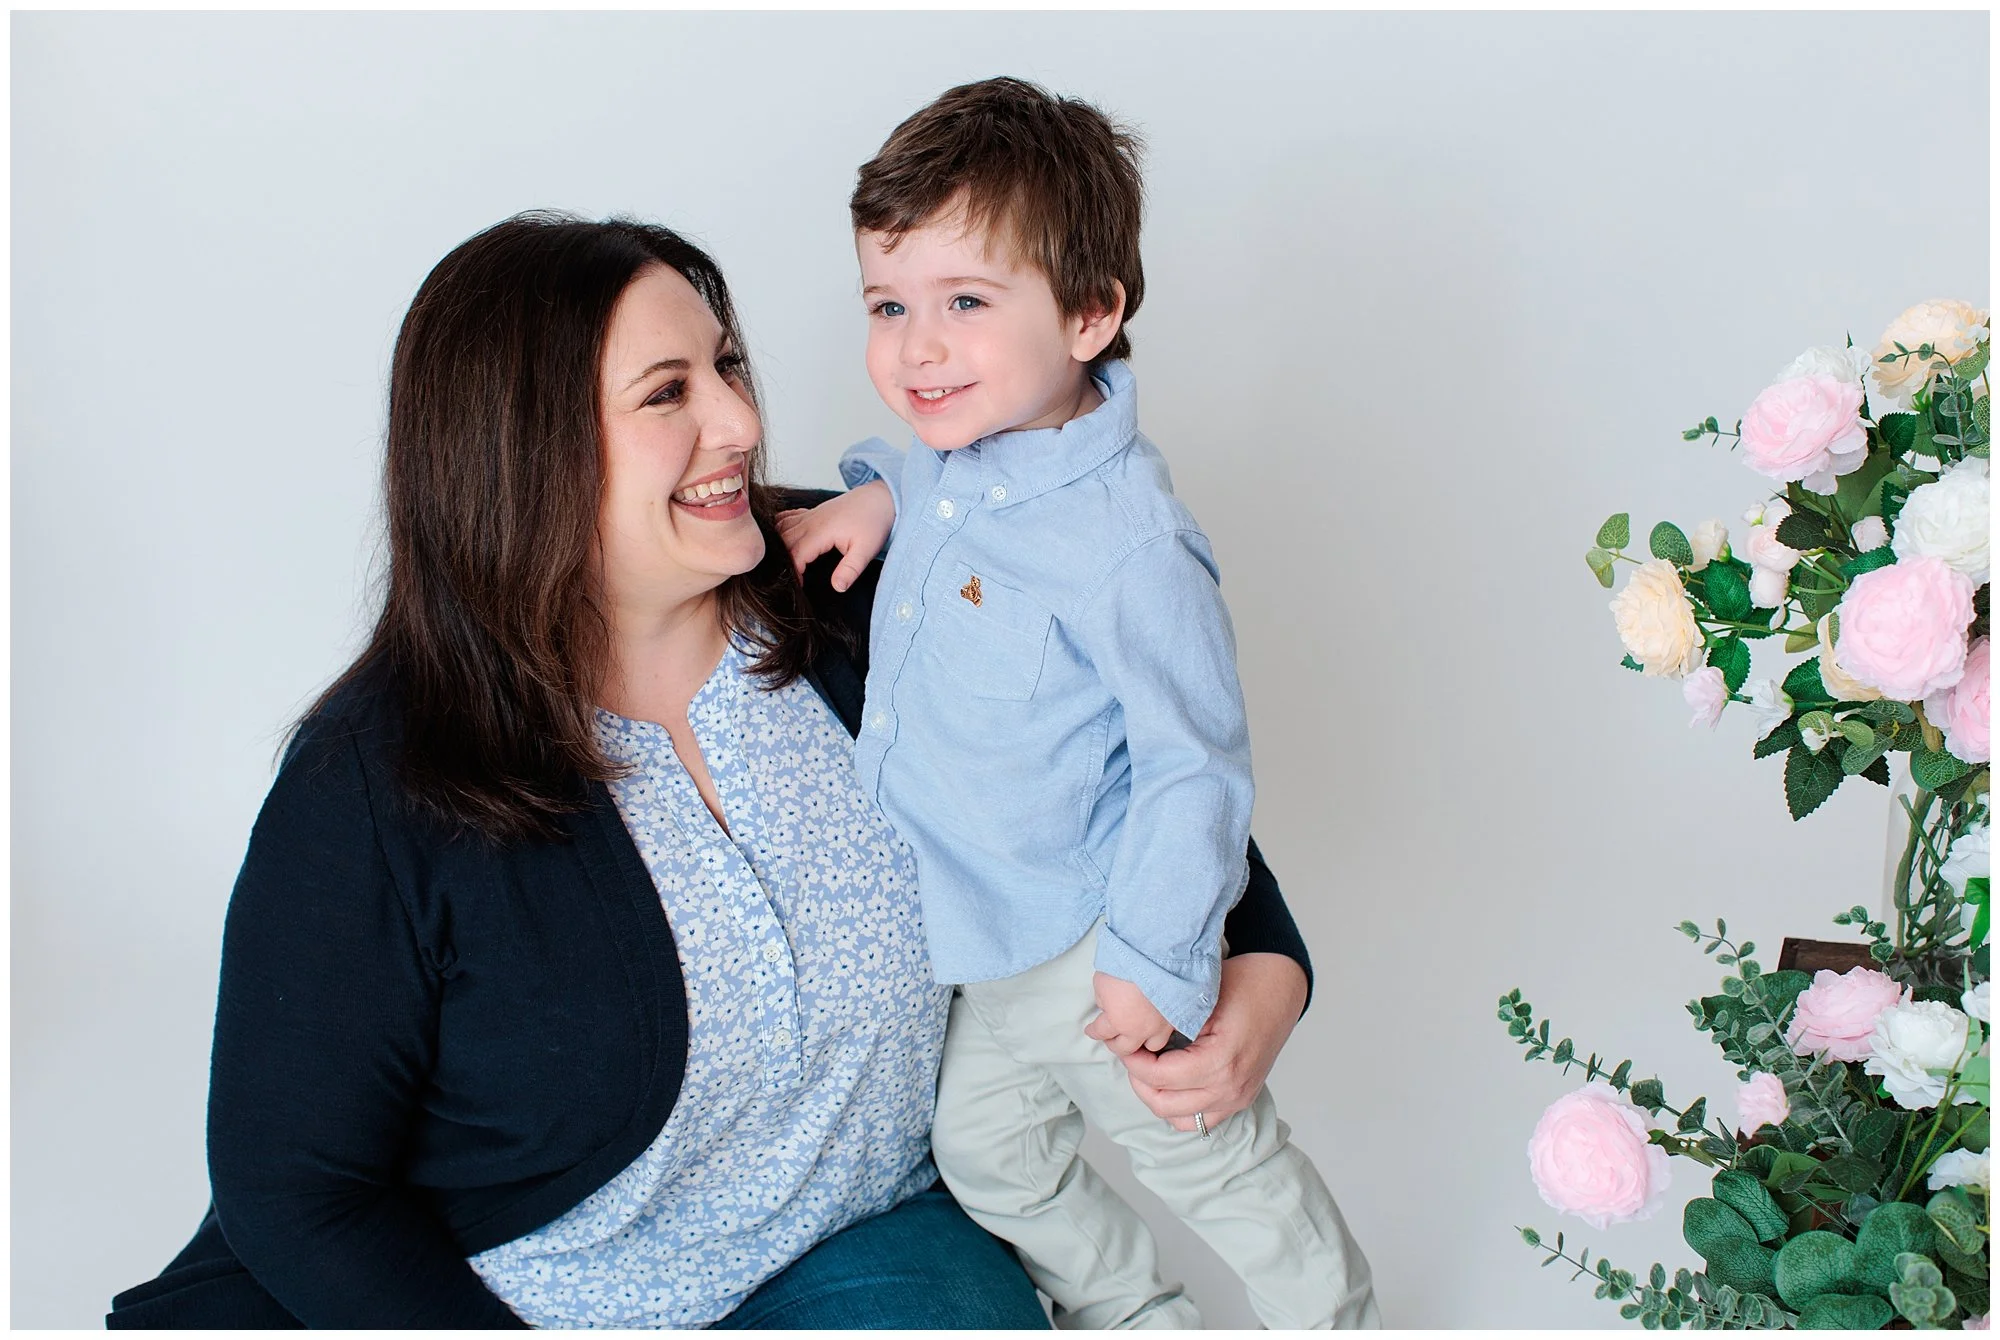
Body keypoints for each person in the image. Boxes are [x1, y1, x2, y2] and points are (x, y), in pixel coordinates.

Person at [106, 211, 1321, 1329]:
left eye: (728, 368)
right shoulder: (375, 779)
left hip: (858, 1234)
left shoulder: (859, 581)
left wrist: (1264, 956)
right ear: (525, 452)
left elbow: (1129, 758)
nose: (739, 423)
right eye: (666, 392)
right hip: (529, 1296)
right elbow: (297, 1190)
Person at [777, 78, 1380, 1329]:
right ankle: (1134, 1314)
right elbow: (933, 475)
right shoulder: (951, 455)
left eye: (963, 304)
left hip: (1090, 946)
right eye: (887, 304)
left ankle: (1341, 1320)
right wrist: (871, 496)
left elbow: (1193, 764)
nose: (915, 346)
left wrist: (1153, 961)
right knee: (989, 1155)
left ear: (1091, 313)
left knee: (1210, 1163)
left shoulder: (1132, 545)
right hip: (982, 946)